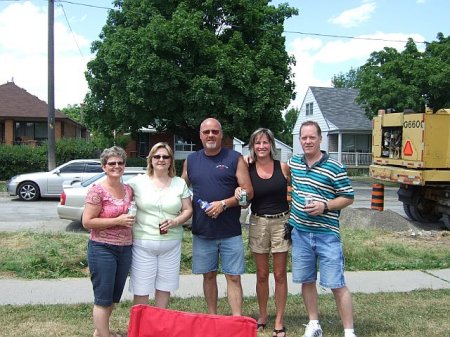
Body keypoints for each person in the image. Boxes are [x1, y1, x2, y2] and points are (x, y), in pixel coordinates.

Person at [288, 121, 357, 337]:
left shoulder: (335, 167)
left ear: (320, 139)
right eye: (304, 138)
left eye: (312, 137)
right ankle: (314, 323)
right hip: (300, 233)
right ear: (299, 140)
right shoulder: (294, 163)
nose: (307, 141)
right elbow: (273, 167)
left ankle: (349, 331)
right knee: (307, 281)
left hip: (327, 235)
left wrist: (325, 206)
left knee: (336, 283)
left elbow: (348, 197)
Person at [181, 117, 253, 316]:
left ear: (221, 135)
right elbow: (179, 189)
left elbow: (248, 192)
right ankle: (212, 316)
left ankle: (236, 318)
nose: (210, 135)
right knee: (209, 276)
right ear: (200, 136)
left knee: (233, 277)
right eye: (206, 132)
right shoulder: (191, 160)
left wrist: (224, 204)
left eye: (215, 131)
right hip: (203, 231)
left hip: (230, 231)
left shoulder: (234, 158)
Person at [236, 128, 291, 337]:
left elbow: (294, 194)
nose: (261, 146)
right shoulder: (247, 168)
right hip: (258, 222)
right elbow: (244, 203)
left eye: (265, 142)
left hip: (281, 222)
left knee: (279, 275)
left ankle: (279, 319)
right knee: (261, 275)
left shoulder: (283, 168)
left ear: (272, 145)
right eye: (257, 143)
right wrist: (240, 196)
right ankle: (262, 316)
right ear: (252, 146)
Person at [127, 142, 192, 308]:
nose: (161, 159)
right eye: (157, 156)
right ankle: (140, 329)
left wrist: (175, 221)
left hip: (171, 244)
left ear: (171, 161)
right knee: (141, 289)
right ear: (150, 160)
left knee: (164, 288)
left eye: (165, 156)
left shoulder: (179, 183)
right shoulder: (137, 182)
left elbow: (188, 210)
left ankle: (158, 328)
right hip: (143, 243)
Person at [82, 146, 135, 337]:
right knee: (102, 298)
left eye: (120, 163)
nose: (116, 166)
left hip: (125, 248)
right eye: (112, 163)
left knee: (113, 297)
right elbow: (87, 221)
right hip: (102, 248)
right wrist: (117, 221)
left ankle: (100, 332)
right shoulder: (97, 191)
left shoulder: (128, 190)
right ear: (104, 167)